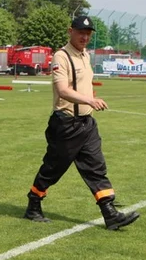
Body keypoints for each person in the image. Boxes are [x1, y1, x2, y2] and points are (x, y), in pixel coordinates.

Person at [24, 15, 139, 230]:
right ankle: (33, 203)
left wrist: (89, 100)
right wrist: (90, 100)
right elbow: (63, 90)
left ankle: (110, 213)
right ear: (71, 31)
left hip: (87, 123)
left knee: (96, 167)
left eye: (88, 34)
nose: (85, 37)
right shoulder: (62, 57)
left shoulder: (85, 55)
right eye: (80, 33)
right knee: (53, 168)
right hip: (66, 124)